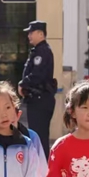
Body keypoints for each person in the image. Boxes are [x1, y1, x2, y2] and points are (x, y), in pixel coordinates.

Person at [18, 21, 57, 159]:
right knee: (36, 134)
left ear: (40, 34)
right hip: (36, 99)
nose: (29, 35)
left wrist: (23, 84)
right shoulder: (38, 50)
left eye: (31, 32)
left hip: (40, 98)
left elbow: (38, 74)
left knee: (39, 135)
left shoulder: (42, 51)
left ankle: (42, 165)